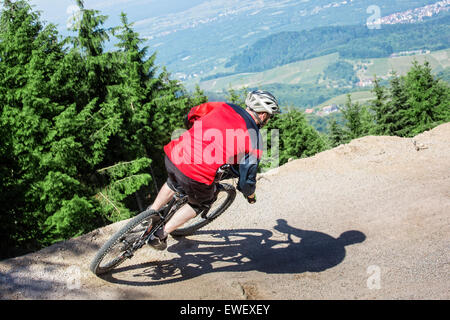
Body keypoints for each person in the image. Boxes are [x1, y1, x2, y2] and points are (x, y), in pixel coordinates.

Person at [147, 90, 280, 250]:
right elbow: (246, 182)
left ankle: (152, 211)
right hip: (196, 173)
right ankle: (160, 234)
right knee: (202, 203)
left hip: (175, 152)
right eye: (270, 116)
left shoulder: (224, 106)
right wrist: (250, 195)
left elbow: (191, 115)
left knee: (173, 180)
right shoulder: (254, 138)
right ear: (264, 115)